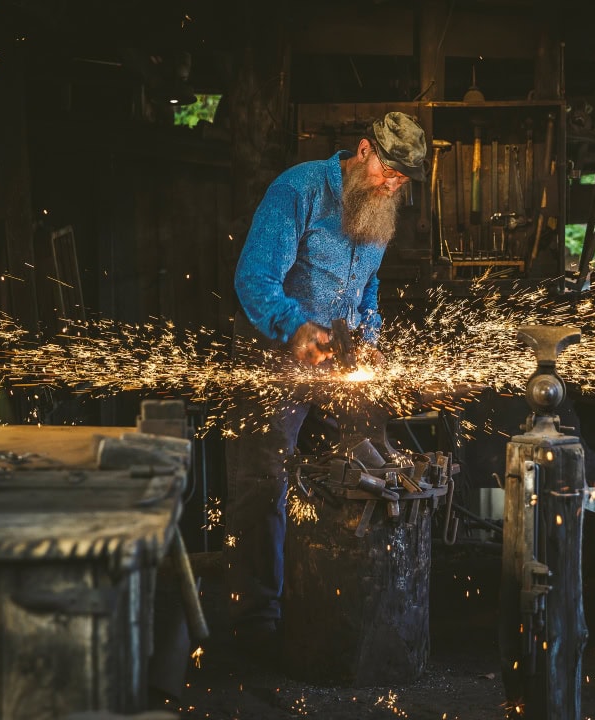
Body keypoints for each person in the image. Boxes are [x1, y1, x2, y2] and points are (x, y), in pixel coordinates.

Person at [224, 111, 426, 655]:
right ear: (364, 151)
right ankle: (257, 619)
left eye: (402, 180)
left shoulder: (380, 205)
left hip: (338, 362)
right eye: (387, 171)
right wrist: (296, 328)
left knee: (368, 467)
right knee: (265, 480)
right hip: (278, 358)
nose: (392, 185)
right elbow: (253, 277)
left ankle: (342, 599)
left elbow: (368, 287)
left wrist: (372, 331)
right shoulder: (300, 189)